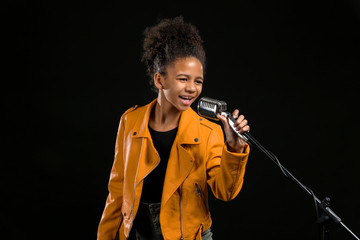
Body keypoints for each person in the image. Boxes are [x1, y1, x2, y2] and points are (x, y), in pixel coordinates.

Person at [97, 16, 250, 240]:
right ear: (160, 80)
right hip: (140, 233)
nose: (192, 88)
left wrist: (235, 148)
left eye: (198, 81)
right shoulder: (130, 122)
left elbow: (225, 192)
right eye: (183, 79)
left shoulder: (208, 132)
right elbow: (117, 190)